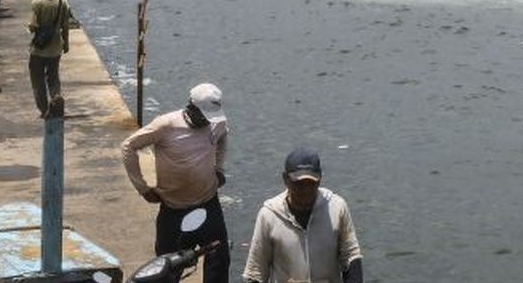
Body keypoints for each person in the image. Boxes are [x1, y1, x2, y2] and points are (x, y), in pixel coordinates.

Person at [122, 83, 231, 283]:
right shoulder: (165, 125)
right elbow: (129, 146)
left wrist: (219, 169)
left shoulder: (217, 123)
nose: (209, 120)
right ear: (192, 108)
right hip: (174, 210)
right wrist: (143, 187)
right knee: (167, 268)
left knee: (219, 259)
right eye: (205, 115)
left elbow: (223, 137)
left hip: (208, 204)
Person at [243, 147, 363, 283]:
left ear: (320, 179)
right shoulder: (269, 215)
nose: (305, 190)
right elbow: (256, 271)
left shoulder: (337, 208)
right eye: (299, 184)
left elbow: (351, 256)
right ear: (285, 179)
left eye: (311, 183)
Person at [27, 0, 71, 118]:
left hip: (39, 49)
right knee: (53, 77)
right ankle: (55, 97)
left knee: (37, 79)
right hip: (55, 48)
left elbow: (33, 25)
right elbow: (65, 26)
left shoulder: (37, 3)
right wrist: (66, 44)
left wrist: (29, 28)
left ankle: (44, 109)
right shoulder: (61, 3)